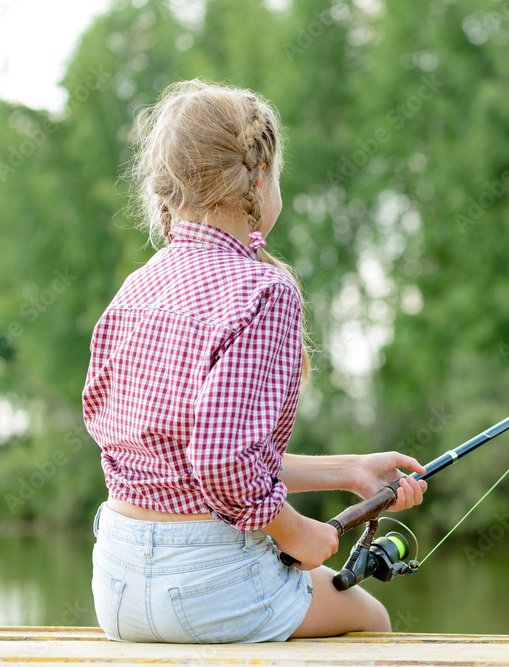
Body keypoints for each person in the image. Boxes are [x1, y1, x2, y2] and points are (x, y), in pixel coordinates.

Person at [82, 79, 427, 643]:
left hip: (115, 586)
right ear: (260, 175)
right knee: (371, 621)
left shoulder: (137, 287)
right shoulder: (263, 290)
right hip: (208, 585)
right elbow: (220, 460)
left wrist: (349, 470)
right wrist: (295, 533)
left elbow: (191, 459)